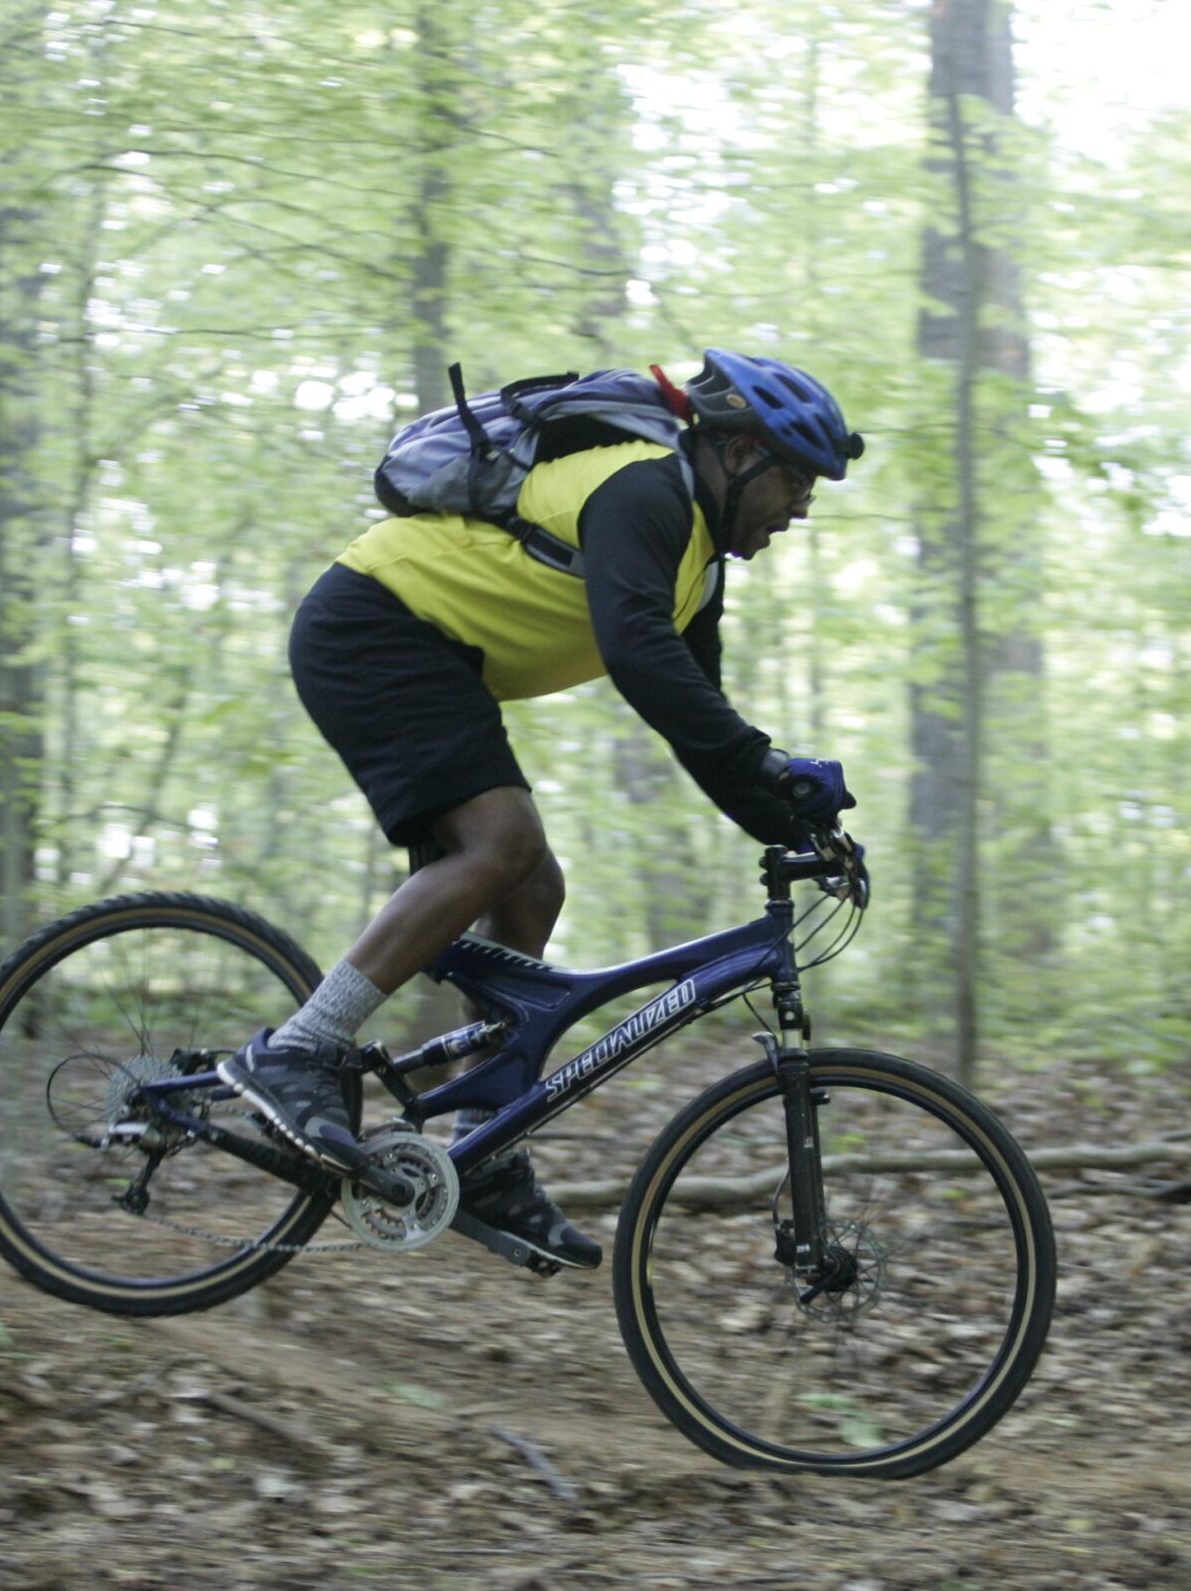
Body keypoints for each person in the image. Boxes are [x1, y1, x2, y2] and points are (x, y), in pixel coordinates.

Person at [220, 349, 862, 1272]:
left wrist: (798, 826)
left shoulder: (698, 574)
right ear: (734, 455)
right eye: (795, 479)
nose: (801, 507)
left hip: (437, 657)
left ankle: (485, 1145)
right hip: (374, 622)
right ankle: (300, 1048)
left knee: (534, 885)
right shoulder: (645, 493)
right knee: (501, 843)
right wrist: (768, 759)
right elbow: (639, 654)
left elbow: (696, 725)